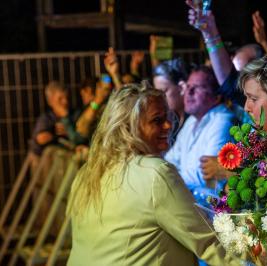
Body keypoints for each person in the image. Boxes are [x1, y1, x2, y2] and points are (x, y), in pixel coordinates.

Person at [67, 83, 235, 266]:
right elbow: (208, 243)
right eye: (157, 120)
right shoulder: (155, 173)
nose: (168, 125)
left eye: (167, 117)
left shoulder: (87, 172)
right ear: (128, 128)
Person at [200, 52, 267, 182]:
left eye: (253, 99)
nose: (246, 107)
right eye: (246, 98)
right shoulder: (257, 138)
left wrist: (229, 173)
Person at [165, 66, 236, 207]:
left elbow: (206, 174)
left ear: (216, 97)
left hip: (208, 208)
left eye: (197, 87)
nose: (188, 92)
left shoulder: (223, 119)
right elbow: (170, 160)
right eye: (188, 86)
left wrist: (166, 179)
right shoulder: (191, 120)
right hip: (185, 197)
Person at [153, 58, 190, 145]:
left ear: (181, 88)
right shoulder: (170, 117)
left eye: (164, 91)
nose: (160, 98)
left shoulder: (196, 119)